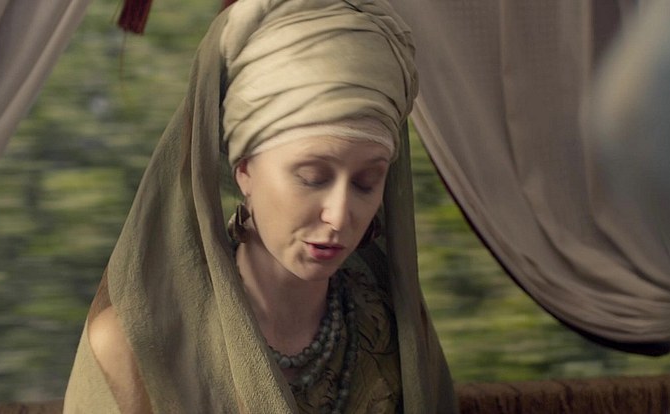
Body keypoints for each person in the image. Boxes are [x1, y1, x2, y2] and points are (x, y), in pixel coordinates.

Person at [63, 0, 456, 412]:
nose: (340, 216)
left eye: (366, 182)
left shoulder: (397, 335)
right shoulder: (138, 349)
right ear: (245, 169)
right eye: (312, 177)